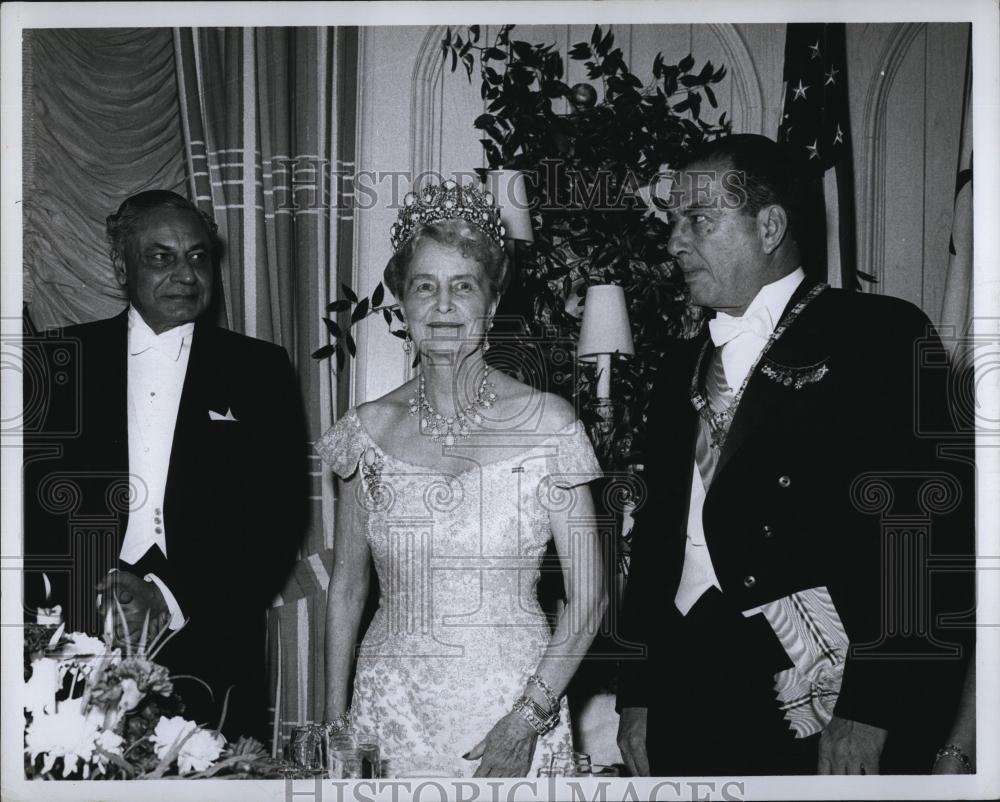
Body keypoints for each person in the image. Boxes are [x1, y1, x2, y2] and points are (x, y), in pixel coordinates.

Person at [616, 134, 974, 775]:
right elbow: (654, 544)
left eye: (698, 220)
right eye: (674, 223)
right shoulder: (678, 366)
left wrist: (873, 705)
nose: (674, 243)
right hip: (687, 675)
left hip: (816, 689)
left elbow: (922, 533)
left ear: (770, 226)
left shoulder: (878, 335)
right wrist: (637, 693)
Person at [315, 180, 607, 778]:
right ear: (403, 306)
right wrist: (333, 721)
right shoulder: (366, 431)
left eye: (463, 286)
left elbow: (590, 598)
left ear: (491, 306)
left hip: (514, 709)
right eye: (425, 286)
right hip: (388, 716)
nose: (443, 305)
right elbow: (346, 589)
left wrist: (527, 718)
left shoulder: (549, 424)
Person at [23, 190, 308, 741]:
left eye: (198, 257)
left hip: (211, 640)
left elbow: (277, 520)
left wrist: (168, 598)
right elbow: (27, 509)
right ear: (120, 266)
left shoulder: (260, 370)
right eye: (161, 257)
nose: (186, 274)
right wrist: (95, 596)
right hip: (76, 639)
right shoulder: (55, 361)